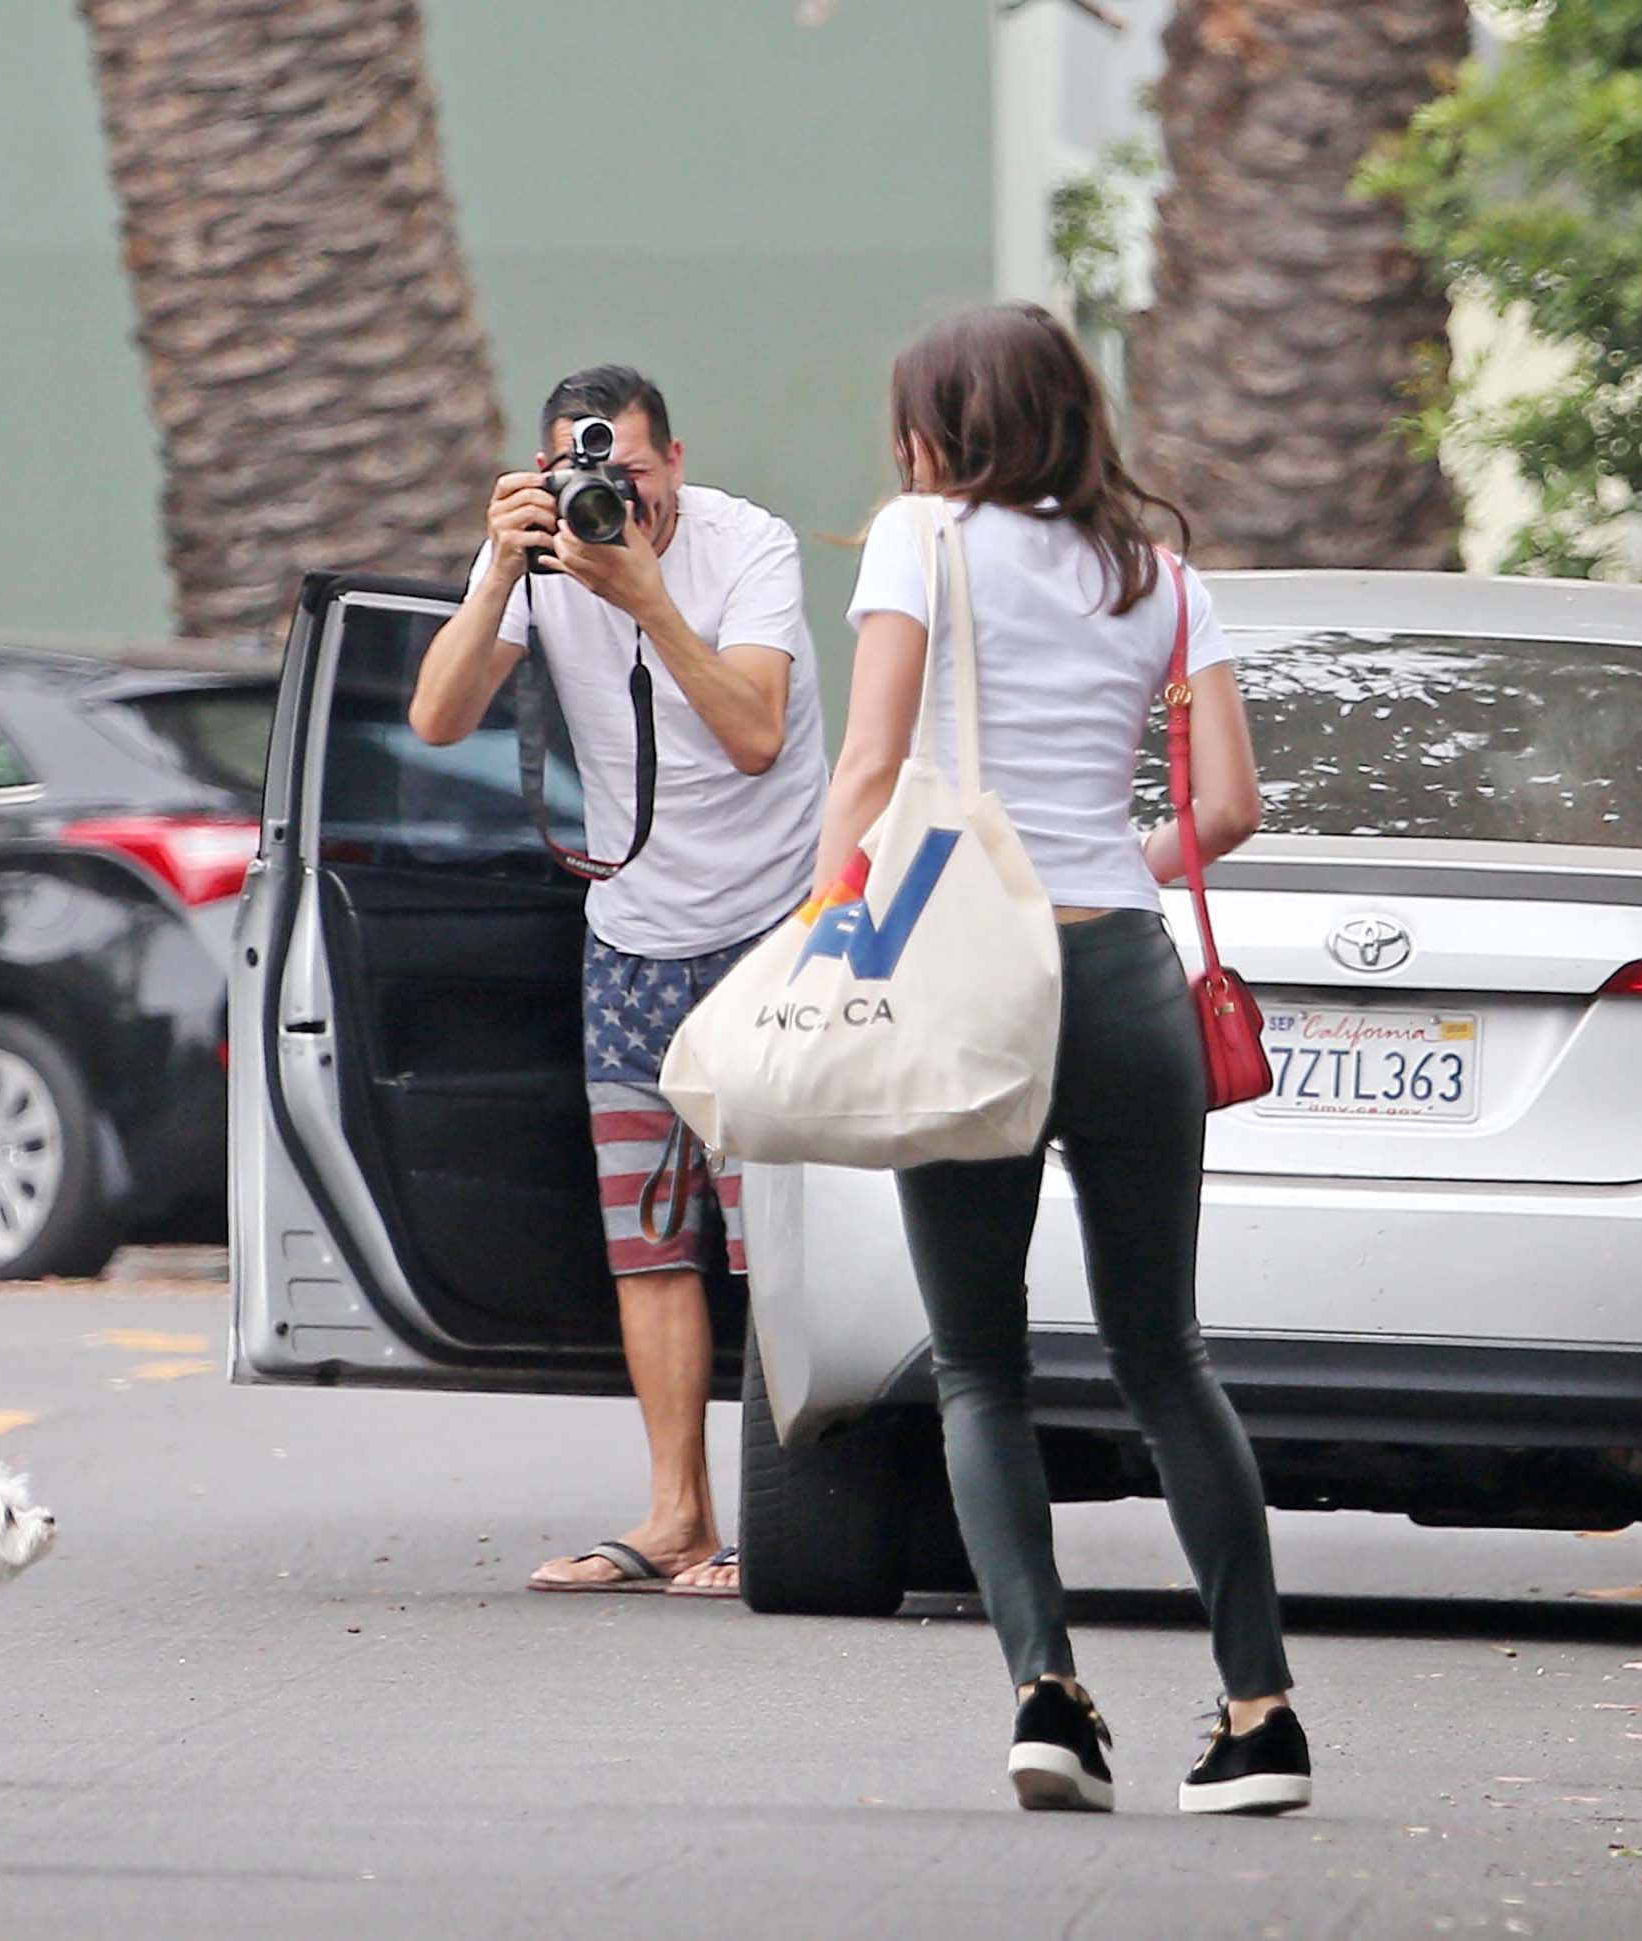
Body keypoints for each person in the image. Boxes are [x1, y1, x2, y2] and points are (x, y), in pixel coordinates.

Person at [817, 302, 1303, 1815]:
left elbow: (874, 761)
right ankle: (1261, 1713)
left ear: (944, 432)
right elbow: (1227, 810)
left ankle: (1050, 1700)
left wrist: (838, 943)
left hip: (972, 975)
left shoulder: (922, 535)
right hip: (1125, 978)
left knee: (979, 1367)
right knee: (1167, 1356)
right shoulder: (1159, 575)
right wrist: (1104, 857)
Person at [410, 364, 827, 1599]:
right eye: (582, 474)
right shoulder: (542, 568)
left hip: (769, 927)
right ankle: (675, 1515)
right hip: (632, 934)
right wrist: (497, 570)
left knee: (772, 1244)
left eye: (630, 473)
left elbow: (754, 734)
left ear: (674, 463)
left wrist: (645, 598)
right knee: (649, 1240)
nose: (611, 497)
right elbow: (436, 718)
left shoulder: (749, 546)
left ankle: (777, 1515)